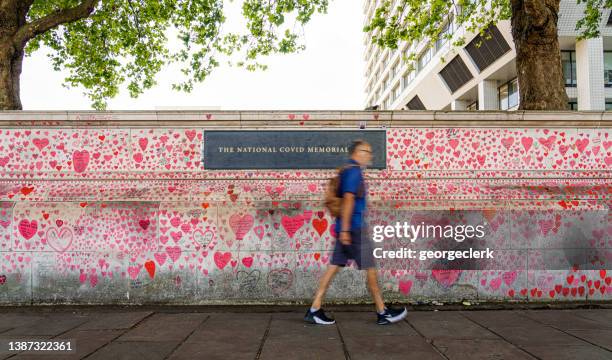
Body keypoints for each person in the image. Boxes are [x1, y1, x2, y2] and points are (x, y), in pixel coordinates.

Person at [304, 139, 408, 325]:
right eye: (365, 151)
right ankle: (382, 311)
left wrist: (342, 229)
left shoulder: (349, 171)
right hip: (353, 230)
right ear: (355, 153)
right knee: (370, 268)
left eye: (370, 151)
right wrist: (345, 230)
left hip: (346, 229)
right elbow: (349, 200)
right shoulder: (353, 172)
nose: (369, 155)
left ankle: (314, 309)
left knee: (333, 267)